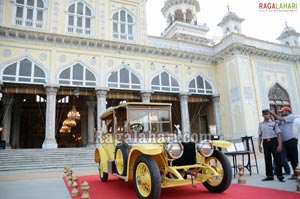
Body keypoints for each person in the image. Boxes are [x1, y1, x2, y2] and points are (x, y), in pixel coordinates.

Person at [270, 106, 298, 180]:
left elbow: (280, 118)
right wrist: (271, 116)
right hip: (285, 142)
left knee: (295, 158)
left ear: (287, 111)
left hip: (291, 140)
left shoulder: (291, 117)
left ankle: (297, 172)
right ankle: (295, 173)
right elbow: (275, 123)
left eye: (282, 112)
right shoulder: (282, 120)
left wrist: (273, 113)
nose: (281, 113)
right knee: (291, 159)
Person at [258, 109, 285, 182]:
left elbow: (278, 134)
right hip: (265, 142)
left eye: (267, 114)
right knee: (267, 159)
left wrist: (280, 145)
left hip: (273, 141)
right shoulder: (261, 125)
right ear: (262, 115)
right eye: (264, 114)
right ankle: (269, 176)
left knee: (277, 159)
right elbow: (260, 135)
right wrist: (259, 145)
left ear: (269, 115)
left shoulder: (274, 123)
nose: (266, 115)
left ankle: (280, 176)